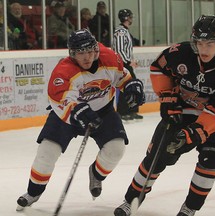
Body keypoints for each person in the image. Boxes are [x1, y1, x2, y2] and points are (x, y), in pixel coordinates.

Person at [114, 15, 215, 216]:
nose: (204, 49)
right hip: (180, 111)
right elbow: (159, 68)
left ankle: (190, 208)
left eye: (209, 44)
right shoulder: (181, 53)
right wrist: (168, 98)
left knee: (211, 158)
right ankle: (130, 200)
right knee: (156, 157)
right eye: (200, 43)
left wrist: (197, 130)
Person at [16, 29, 145, 211]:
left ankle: (96, 174)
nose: (86, 57)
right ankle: (33, 192)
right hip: (66, 116)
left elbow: (121, 77)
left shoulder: (109, 57)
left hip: (103, 111)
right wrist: (76, 110)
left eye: (90, 51)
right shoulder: (63, 71)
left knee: (116, 149)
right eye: (80, 53)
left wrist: (131, 85)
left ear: (96, 49)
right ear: (72, 54)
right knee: (46, 153)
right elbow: (60, 99)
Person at [112, 9, 143, 122]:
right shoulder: (120, 32)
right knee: (126, 87)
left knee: (132, 86)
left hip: (126, 63)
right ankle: (124, 111)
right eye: (130, 17)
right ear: (126, 18)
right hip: (123, 64)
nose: (131, 19)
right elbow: (119, 50)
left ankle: (131, 110)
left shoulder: (125, 31)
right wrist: (128, 62)